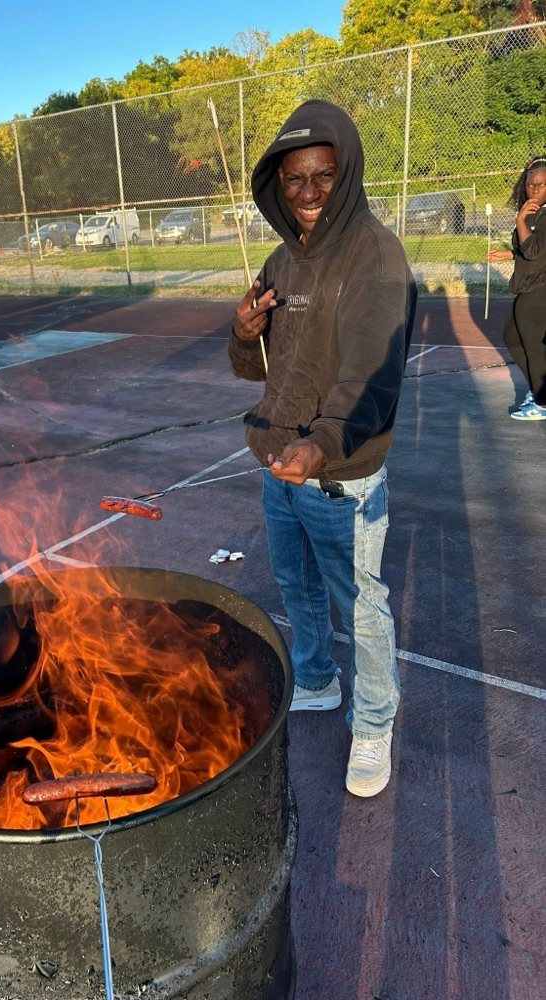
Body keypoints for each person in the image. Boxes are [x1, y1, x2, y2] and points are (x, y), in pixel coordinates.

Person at [228, 100, 417, 798]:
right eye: (294, 179)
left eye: (324, 176)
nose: (308, 194)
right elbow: (256, 370)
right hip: (279, 468)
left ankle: (374, 720)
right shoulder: (278, 258)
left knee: (361, 603)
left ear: (348, 173)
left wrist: (321, 447)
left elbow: (374, 378)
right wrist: (245, 332)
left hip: (342, 477)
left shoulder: (376, 256)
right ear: (276, 183)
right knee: (297, 589)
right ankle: (315, 678)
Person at [485, 156, 546, 420]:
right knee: (512, 338)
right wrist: (509, 254)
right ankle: (539, 390)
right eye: (531, 184)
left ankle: (542, 404)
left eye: (541, 185)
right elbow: (537, 250)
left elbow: (533, 250)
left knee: (533, 347)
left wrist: (520, 220)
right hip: (530, 285)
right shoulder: (537, 212)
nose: (534, 189)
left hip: (538, 289)